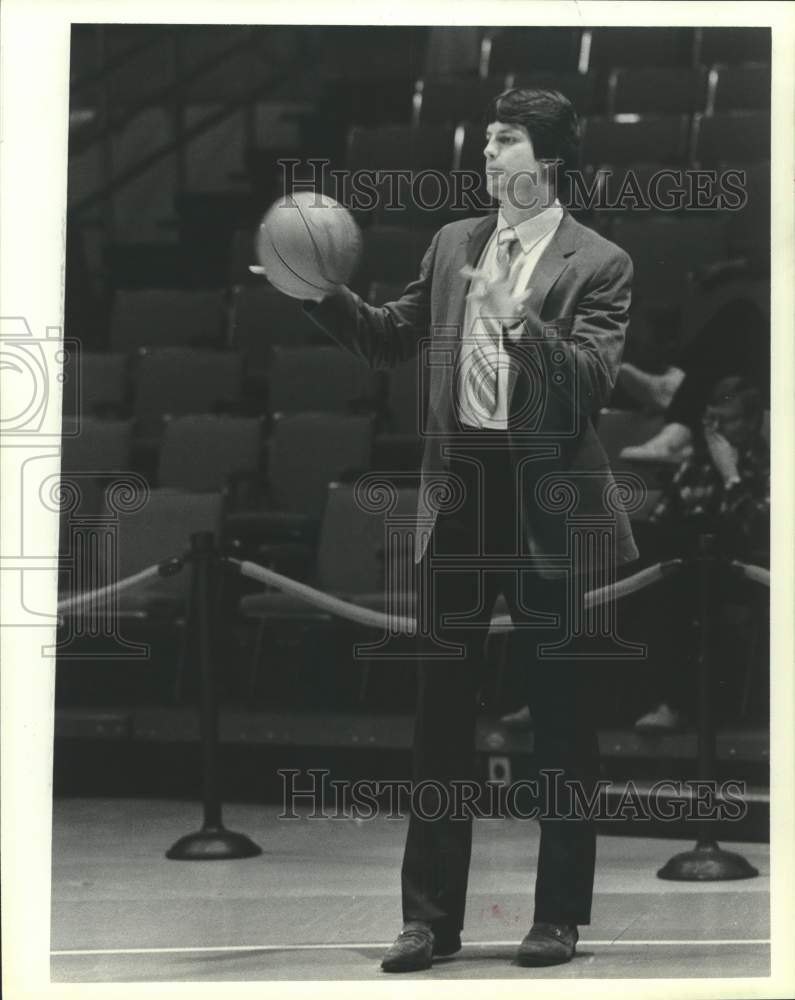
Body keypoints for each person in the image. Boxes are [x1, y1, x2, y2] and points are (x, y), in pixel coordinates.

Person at [269, 88, 638, 971]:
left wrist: (520, 323)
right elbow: (393, 338)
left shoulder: (601, 261)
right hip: (460, 489)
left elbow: (585, 385)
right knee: (439, 719)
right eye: (484, 142)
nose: (486, 154)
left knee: (559, 718)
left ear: (543, 160)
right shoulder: (451, 244)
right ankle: (428, 920)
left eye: (503, 141)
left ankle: (556, 916)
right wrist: (316, 290)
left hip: (550, 500)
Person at [631, 375, 770, 731]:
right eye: (710, 421)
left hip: (747, 573)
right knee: (630, 545)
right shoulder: (695, 465)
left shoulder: (772, 465)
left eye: (727, 421)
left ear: (753, 421)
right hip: (690, 569)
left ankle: (673, 703)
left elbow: (763, 533)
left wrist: (731, 475)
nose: (715, 432)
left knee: (702, 538)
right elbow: (662, 524)